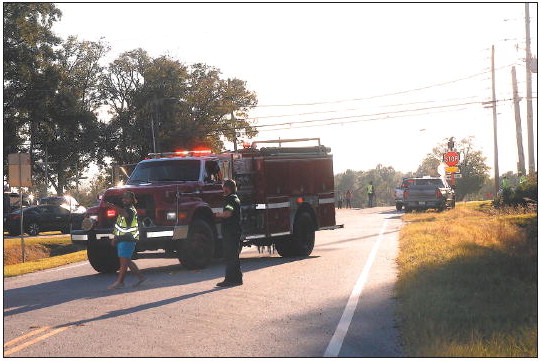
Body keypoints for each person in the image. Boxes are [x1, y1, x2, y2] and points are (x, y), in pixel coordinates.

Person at [107, 191, 145, 289]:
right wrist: (115, 238)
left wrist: (111, 206)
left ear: (132, 200)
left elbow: (123, 213)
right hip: (122, 239)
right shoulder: (125, 210)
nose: (124, 200)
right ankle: (141, 278)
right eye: (123, 198)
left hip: (128, 239)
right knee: (127, 261)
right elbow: (119, 226)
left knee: (124, 263)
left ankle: (120, 282)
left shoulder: (130, 210)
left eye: (127, 198)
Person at [215, 179, 243, 287]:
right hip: (233, 231)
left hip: (231, 232)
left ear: (228, 188)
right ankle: (237, 278)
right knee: (233, 255)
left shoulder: (231, 200)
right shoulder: (234, 198)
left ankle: (230, 279)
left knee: (230, 256)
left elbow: (228, 213)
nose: (223, 189)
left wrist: (216, 215)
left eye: (224, 187)